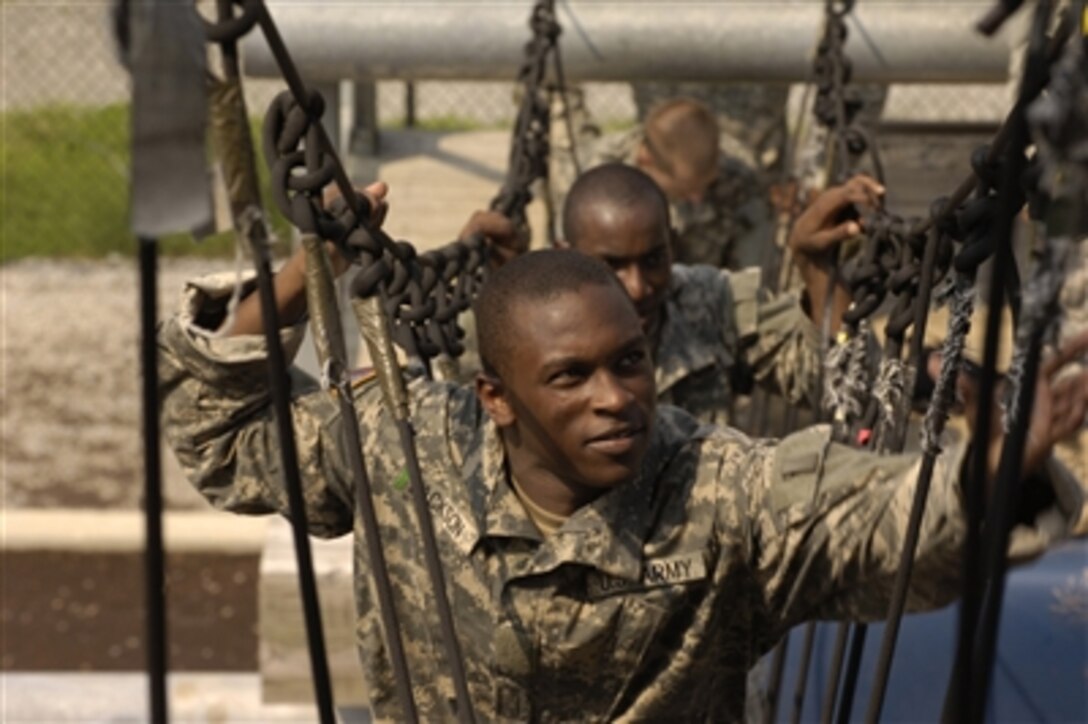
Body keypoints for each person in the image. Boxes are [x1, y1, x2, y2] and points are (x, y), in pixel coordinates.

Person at [160, 180, 1087, 722]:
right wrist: (303, 269)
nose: (619, 399)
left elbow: (879, 525)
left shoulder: (722, 491)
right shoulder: (406, 447)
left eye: (632, 363)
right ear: (497, 399)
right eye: (572, 378)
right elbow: (224, 434)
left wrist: (987, 475)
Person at [466, 163, 878, 426]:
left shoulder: (713, 302)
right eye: (611, 265)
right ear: (564, 254)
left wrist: (818, 269)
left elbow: (846, 386)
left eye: (653, 260)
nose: (638, 287)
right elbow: (454, 402)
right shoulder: (534, 321)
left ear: (673, 245)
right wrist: (502, 296)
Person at [550, 95, 775, 270]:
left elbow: (751, 268)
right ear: (645, 161)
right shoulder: (599, 175)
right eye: (686, 190)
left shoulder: (737, 172)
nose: (698, 198)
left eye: (706, 185)